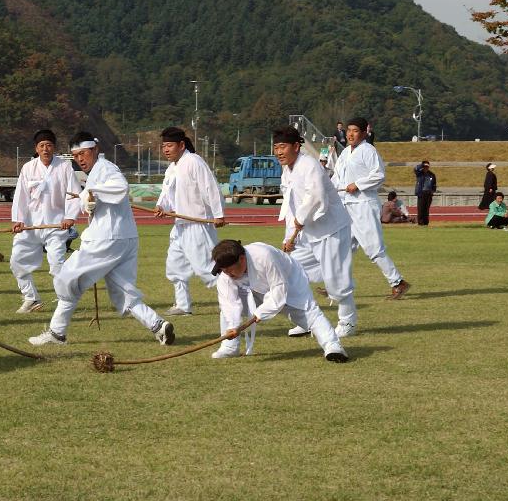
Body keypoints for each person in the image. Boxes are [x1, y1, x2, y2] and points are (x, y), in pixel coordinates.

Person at [29, 132, 175, 347]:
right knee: (122, 290)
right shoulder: (96, 172)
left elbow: (120, 187)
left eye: (83, 153)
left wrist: (90, 191)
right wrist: (89, 201)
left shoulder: (105, 168)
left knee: (67, 278)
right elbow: (95, 200)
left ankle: (57, 332)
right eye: (75, 155)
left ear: (95, 150)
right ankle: (158, 325)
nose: (80, 159)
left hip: (106, 238)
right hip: (125, 238)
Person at [273, 125, 358, 339]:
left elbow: (316, 196)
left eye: (283, 147)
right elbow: (291, 206)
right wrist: (289, 235)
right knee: (290, 272)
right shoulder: (287, 171)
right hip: (308, 233)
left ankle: (348, 321)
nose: (279, 152)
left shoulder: (309, 165)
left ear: (295, 146)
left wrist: (301, 219)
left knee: (336, 280)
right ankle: (305, 320)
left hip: (331, 230)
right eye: (275, 147)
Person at [210, 239, 348, 362]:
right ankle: (229, 346)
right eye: (223, 270)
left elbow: (278, 289)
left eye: (229, 270)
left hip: (290, 280)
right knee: (226, 311)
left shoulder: (264, 256)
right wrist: (233, 328)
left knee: (307, 312)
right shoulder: (225, 275)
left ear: (241, 259)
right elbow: (229, 304)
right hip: (256, 287)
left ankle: (333, 346)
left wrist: (260, 313)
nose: (227, 274)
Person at [331, 117, 410, 300]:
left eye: (355, 130)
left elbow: (379, 175)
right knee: (343, 248)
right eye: (348, 130)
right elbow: (336, 178)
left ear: (364, 133)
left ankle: (398, 282)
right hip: (347, 206)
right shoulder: (345, 153)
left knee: (374, 248)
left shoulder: (368, 150)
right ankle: (339, 287)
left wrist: (358, 184)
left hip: (364, 204)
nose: (350, 134)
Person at [155, 126, 226, 316]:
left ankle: (235, 299)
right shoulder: (172, 168)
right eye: (164, 146)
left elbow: (210, 188)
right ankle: (183, 305)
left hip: (197, 223)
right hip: (179, 225)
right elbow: (167, 193)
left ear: (181, 145)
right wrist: (162, 207)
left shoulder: (194, 161)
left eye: (169, 145)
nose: (166, 150)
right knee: (175, 266)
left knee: (208, 269)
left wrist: (218, 214)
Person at [10, 129, 81, 313]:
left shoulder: (64, 166)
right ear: (36, 148)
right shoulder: (28, 167)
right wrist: (18, 220)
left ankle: (65, 300)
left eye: (49, 145)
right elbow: (21, 196)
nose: (45, 149)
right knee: (17, 261)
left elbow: (74, 193)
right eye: (42, 146)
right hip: (30, 225)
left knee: (57, 263)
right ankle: (31, 298)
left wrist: (69, 217)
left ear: (54, 147)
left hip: (56, 225)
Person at [414, 160, 437, 226]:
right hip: (421, 193)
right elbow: (415, 168)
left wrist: (433, 191)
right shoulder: (419, 173)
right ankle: (420, 223)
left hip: (428, 193)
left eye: (427, 166)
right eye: (425, 166)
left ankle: (426, 223)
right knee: (421, 208)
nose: (426, 168)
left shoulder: (432, 174)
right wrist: (422, 165)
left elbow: (434, 184)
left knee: (426, 209)